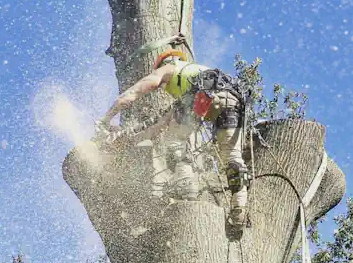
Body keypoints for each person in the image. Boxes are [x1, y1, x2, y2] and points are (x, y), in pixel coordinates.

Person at [98, 50, 250, 226]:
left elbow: (132, 94)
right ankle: (239, 209)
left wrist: (106, 119)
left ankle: (186, 186)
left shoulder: (169, 69)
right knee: (233, 157)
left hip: (202, 96)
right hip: (233, 101)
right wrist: (125, 139)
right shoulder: (194, 76)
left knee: (173, 141)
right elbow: (156, 125)